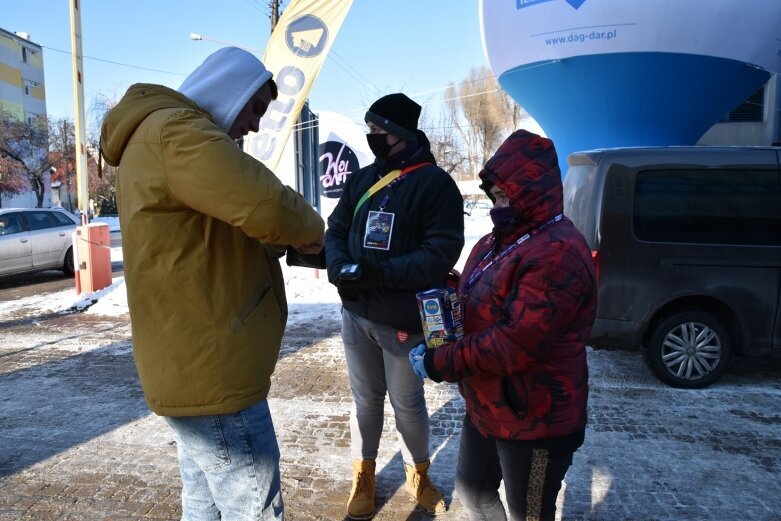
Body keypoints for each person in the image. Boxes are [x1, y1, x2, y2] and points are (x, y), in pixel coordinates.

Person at [100, 47, 325, 521]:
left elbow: (212, 231)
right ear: (231, 92)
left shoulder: (157, 134)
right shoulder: (179, 134)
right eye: (255, 109)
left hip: (190, 361)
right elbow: (269, 207)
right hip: (212, 367)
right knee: (254, 510)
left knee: (204, 505)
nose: (257, 125)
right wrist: (315, 234)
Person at [409, 130, 597, 521]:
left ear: (533, 192)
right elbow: (474, 295)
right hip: (488, 405)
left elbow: (515, 343)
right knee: (473, 492)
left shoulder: (557, 252)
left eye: (506, 196)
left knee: (528, 514)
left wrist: (439, 363)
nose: (499, 205)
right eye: (495, 197)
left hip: (537, 419)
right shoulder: (496, 241)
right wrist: (439, 295)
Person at [325, 93, 465, 519]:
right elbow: (336, 229)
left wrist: (378, 273)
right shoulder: (363, 179)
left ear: (401, 134)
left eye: (378, 132)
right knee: (365, 402)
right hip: (356, 316)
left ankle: (418, 473)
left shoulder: (435, 184)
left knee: (408, 404)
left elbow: (440, 251)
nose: (372, 138)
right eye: (370, 131)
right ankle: (363, 474)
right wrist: (338, 267)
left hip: (403, 322)